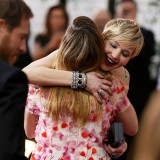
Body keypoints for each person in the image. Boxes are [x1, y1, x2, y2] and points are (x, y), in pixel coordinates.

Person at [24, 16, 144, 160]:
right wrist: (83, 80)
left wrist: (118, 142)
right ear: (102, 38)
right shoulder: (74, 53)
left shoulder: (122, 75)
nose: (115, 55)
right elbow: (27, 73)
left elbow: (116, 117)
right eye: (113, 45)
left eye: (125, 54)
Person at [0, 0, 33, 159]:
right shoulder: (11, 80)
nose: (23, 48)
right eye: (21, 37)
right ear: (1, 26)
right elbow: (9, 152)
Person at [115, 0, 156, 119]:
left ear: (136, 13)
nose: (126, 14)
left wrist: (133, 27)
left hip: (138, 94)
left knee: (135, 130)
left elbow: (149, 52)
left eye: (129, 11)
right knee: (117, 129)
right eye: (123, 11)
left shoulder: (146, 34)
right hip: (115, 90)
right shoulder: (110, 34)